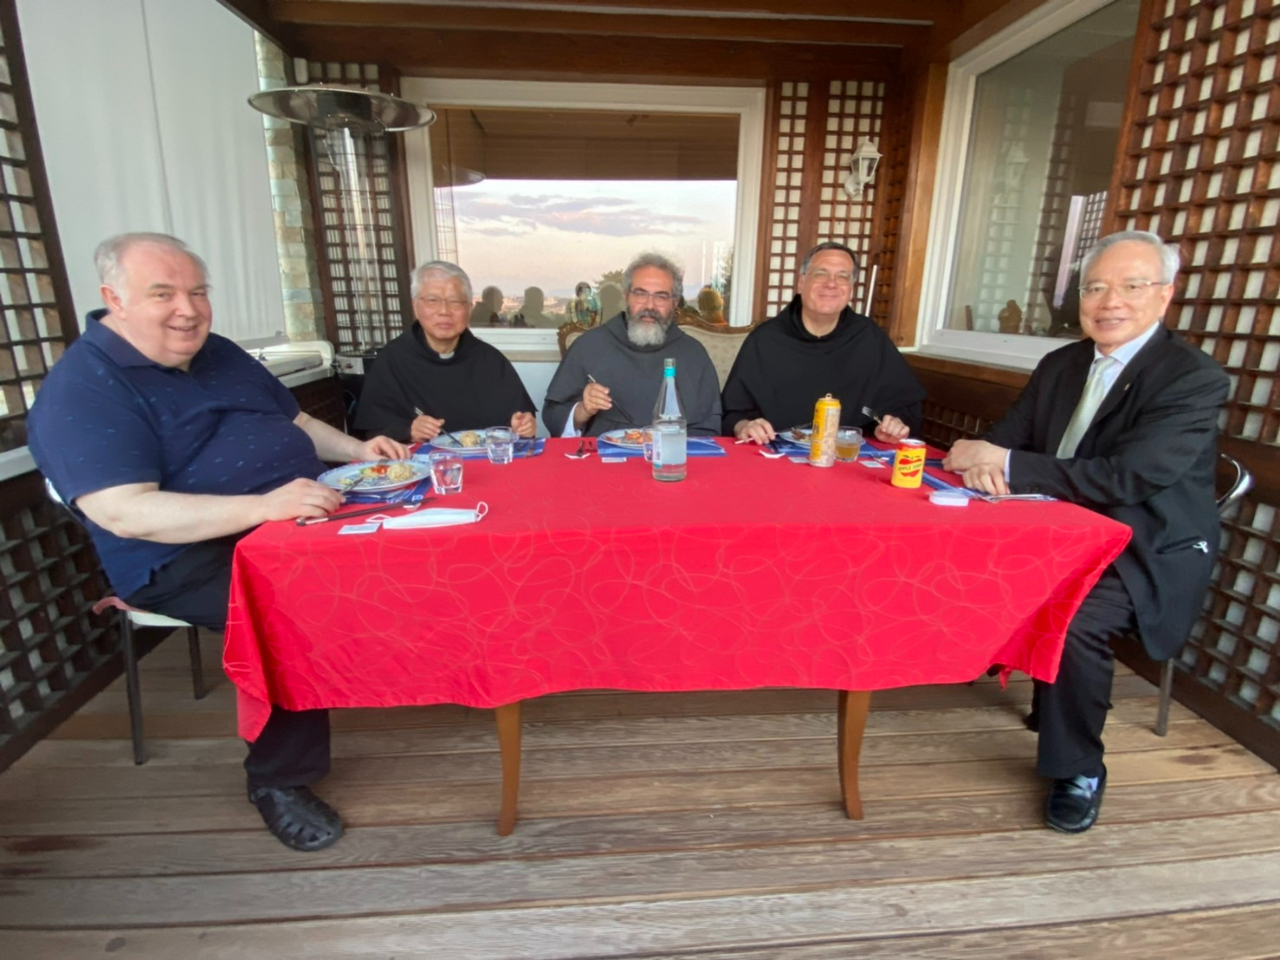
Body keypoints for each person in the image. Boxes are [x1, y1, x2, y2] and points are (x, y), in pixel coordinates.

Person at [28, 233, 411, 851]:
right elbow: (125, 512)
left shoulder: (219, 352)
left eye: (198, 292)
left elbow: (296, 422)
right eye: (164, 294)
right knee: (293, 615)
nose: (188, 309)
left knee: (425, 527)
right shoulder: (85, 387)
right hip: (180, 554)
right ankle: (278, 780)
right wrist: (265, 506)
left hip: (291, 515)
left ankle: (422, 670)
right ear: (113, 299)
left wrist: (359, 451)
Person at [943, 230, 1229, 833]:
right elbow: (1006, 435)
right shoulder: (1062, 364)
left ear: (1164, 296)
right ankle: (996, 674)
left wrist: (1009, 465)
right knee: (953, 555)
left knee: (1073, 620)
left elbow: (1132, 475)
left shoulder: (1191, 378)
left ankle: (1080, 768)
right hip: (1053, 531)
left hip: (1142, 545)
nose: (1109, 301)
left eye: (1130, 286)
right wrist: (988, 453)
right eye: (1096, 287)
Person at [721, 242, 925, 444]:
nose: (831, 283)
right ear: (801, 282)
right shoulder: (765, 339)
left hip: (848, 460)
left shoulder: (869, 337)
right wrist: (744, 426)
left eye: (843, 276)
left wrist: (893, 426)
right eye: (821, 273)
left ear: (851, 288)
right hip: (774, 456)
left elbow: (903, 408)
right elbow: (732, 413)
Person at [354, 261, 537, 442]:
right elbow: (373, 430)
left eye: (455, 302)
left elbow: (517, 422)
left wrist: (521, 425)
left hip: (485, 463)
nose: (444, 311)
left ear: (469, 309)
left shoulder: (490, 360)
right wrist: (408, 430)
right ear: (415, 306)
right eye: (432, 300)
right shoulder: (392, 359)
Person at [543, 252, 721, 437]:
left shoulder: (693, 353)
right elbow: (553, 417)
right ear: (626, 296)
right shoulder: (589, 346)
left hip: (671, 459)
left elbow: (709, 428)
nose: (649, 306)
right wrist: (583, 410)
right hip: (603, 460)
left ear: (674, 302)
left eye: (661, 296)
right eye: (640, 294)